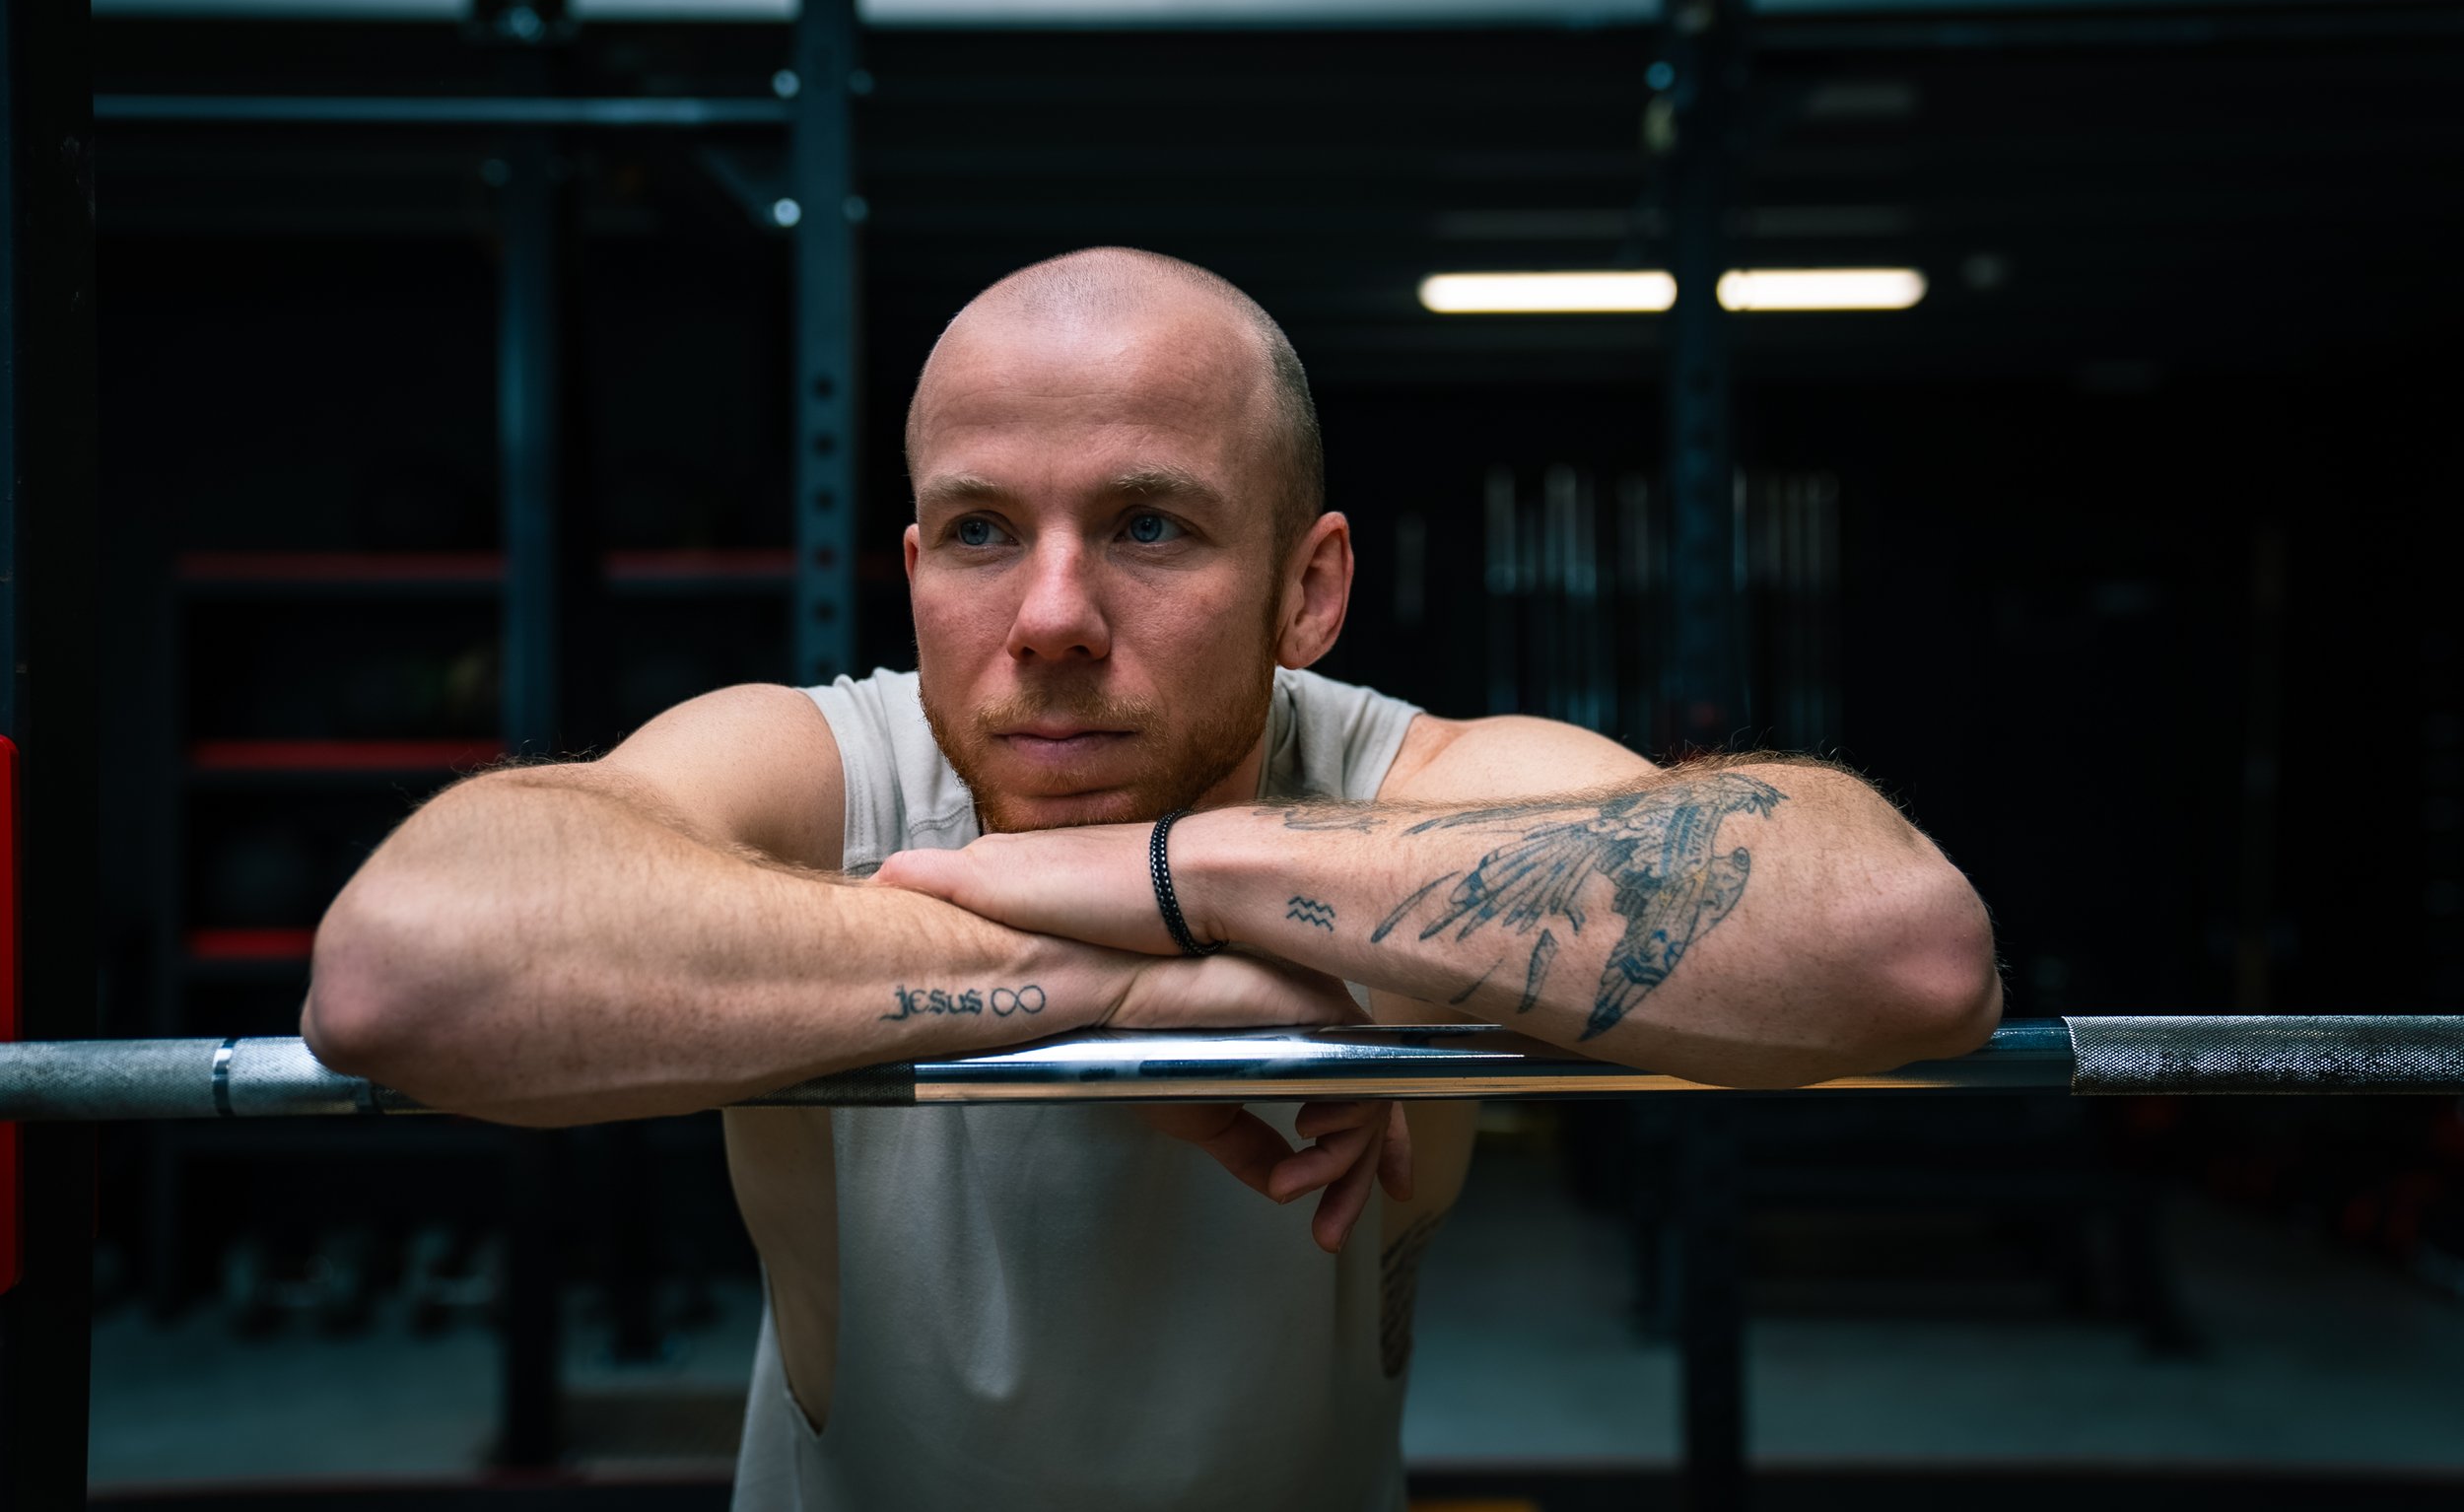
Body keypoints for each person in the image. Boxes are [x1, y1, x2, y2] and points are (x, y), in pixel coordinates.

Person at [303, 246, 2000, 1511]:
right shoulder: (826, 767)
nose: (1047, 617)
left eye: (1150, 528)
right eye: (979, 531)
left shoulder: (1404, 795)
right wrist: (1124, 984)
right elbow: (406, 973)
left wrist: (1195, 872)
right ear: (913, 570)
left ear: (1310, 587)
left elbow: (1900, 950)